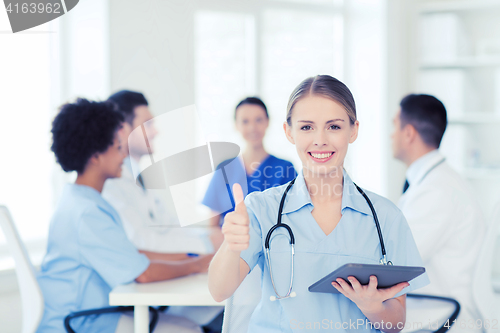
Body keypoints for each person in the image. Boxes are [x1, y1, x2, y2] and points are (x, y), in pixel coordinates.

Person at [208, 75, 429, 333]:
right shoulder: (261, 209)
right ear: (288, 132)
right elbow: (218, 291)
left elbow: (397, 323)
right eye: (306, 127)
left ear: (353, 130)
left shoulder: (386, 217)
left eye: (334, 127)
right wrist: (231, 246)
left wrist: (373, 307)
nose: (320, 140)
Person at [37, 99, 212, 333]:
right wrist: (196, 264)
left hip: (91, 313)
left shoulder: (83, 200)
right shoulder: (88, 213)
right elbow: (144, 273)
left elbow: (131, 255)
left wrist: (188, 257)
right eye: (118, 146)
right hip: (83, 321)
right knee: (189, 329)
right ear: (96, 156)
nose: (123, 155)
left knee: (188, 324)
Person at [102, 90, 223, 329]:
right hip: (128, 298)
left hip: (154, 287)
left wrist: (208, 239)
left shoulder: (140, 176)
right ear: (122, 128)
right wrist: (207, 244)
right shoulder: (113, 183)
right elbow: (142, 241)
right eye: (147, 124)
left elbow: (169, 227)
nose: (155, 131)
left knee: (223, 305)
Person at [391, 94, 486, 330]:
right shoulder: (438, 182)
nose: (390, 134)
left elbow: (398, 262)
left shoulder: (437, 190)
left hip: (443, 316)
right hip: (435, 311)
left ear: (409, 133)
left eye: (394, 125)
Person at [202, 97, 297, 226]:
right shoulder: (223, 169)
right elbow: (213, 227)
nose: (252, 127)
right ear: (236, 125)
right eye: (245, 121)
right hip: (231, 243)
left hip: (272, 244)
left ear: (267, 122)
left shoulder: (285, 168)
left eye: (258, 120)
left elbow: (295, 219)